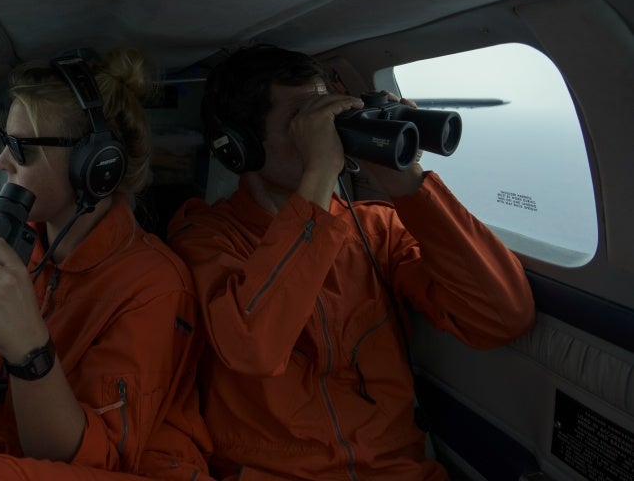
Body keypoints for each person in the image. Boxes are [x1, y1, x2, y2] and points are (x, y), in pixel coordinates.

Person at [166, 46, 536, 480]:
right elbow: (254, 348)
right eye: (305, 122)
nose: (326, 135)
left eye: (327, 117)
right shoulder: (205, 237)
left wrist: (408, 185)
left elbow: (500, 317)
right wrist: (320, 172)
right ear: (241, 147)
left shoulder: (374, 230)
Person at [0, 48, 213, 480]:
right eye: (3, 142)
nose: (1, 162)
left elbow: (88, 463)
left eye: (19, 148)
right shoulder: (16, 247)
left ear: (95, 168)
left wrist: (29, 349)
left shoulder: (155, 286)